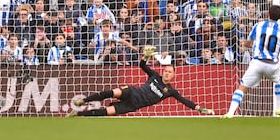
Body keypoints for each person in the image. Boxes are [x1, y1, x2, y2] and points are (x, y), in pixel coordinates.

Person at [67, 45, 215, 116]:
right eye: (166, 71)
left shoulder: (171, 91)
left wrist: (201, 109)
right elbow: (142, 65)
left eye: (170, 72)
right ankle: (84, 101)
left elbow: (185, 101)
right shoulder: (155, 76)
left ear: (173, 76)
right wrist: (146, 56)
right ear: (163, 71)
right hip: (132, 92)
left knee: (106, 111)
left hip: (133, 105)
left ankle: (78, 114)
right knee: (112, 92)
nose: (167, 73)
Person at [223, 5, 280, 118]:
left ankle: (230, 113)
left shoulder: (258, 26)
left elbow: (248, 43)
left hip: (257, 63)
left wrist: (249, 44)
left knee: (242, 87)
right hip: (272, 65)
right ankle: (279, 109)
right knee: (279, 82)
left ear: (268, 14)